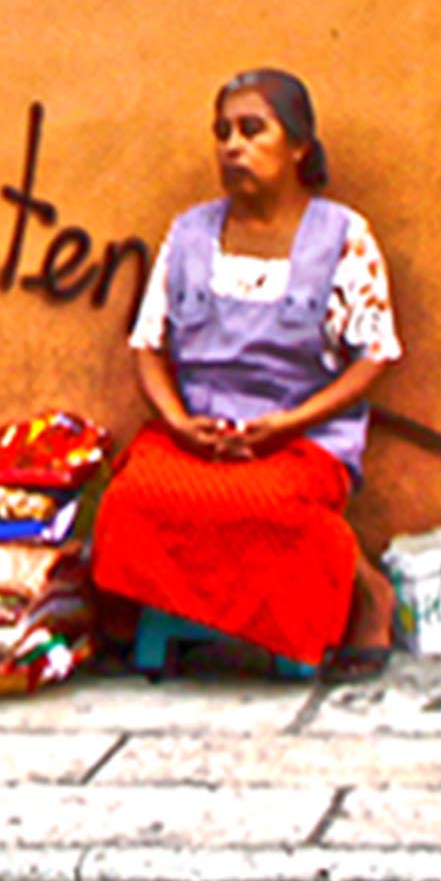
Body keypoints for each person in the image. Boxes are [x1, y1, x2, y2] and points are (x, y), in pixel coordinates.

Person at [90, 68, 398, 675]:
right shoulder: (189, 234)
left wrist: (291, 423)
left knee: (278, 510)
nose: (233, 146)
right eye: (223, 132)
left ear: (298, 145)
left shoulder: (343, 236)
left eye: (253, 130)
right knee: (130, 502)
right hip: (199, 436)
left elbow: (376, 354)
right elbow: (149, 345)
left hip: (301, 439)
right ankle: (190, 613)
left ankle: (367, 596)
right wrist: (178, 423)